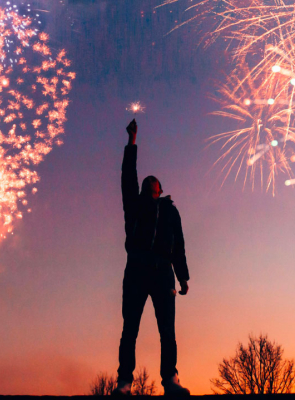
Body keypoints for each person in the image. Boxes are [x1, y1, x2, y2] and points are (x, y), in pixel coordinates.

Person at [112, 119, 190, 396]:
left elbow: (178, 244)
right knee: (130, 327)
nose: (148, 184)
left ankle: (170, 379)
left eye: (152, 184)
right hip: (136, 269)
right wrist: (132, 142)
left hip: (163, 272)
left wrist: (182, 275)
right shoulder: (134, 205)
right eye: (145, 183)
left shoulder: (170, 211)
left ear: (159, 190)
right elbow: (127, 175)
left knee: (167, 330)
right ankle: (124, 382)